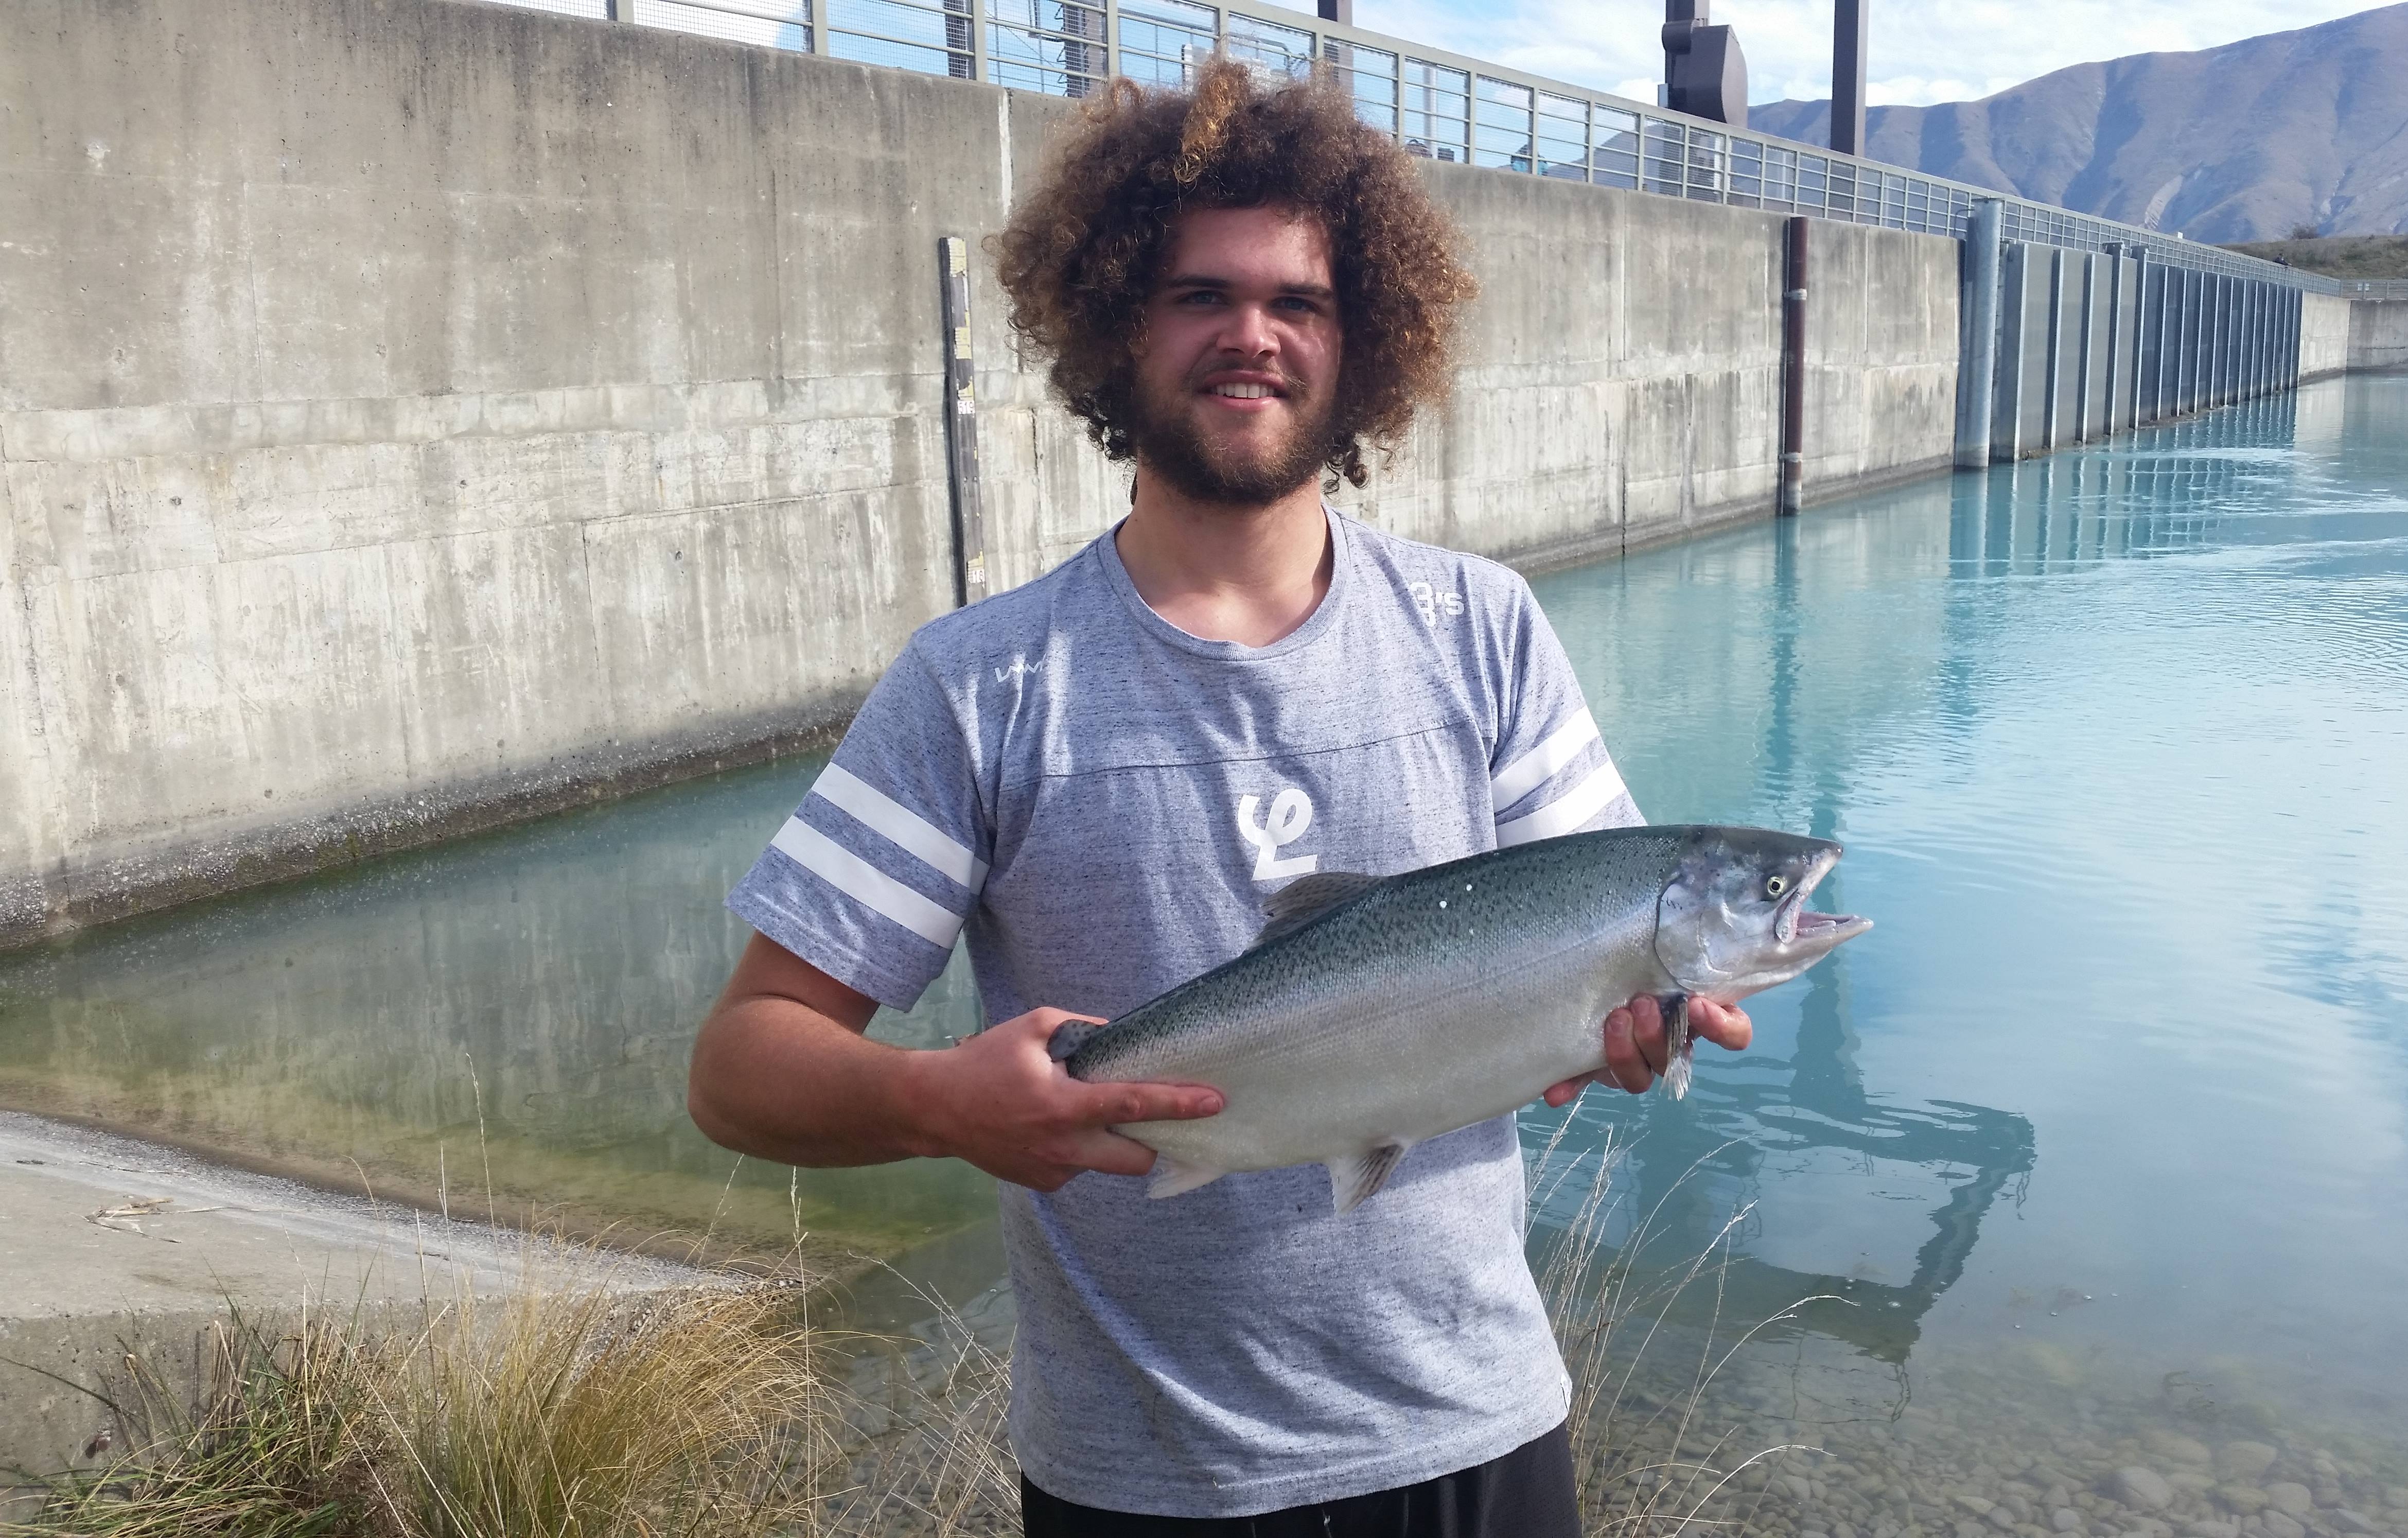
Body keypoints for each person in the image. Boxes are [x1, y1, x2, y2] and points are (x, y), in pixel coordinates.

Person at [686, 59, 1750, 1536]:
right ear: (1119, 322)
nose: (1253, 334)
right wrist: (938, 1101)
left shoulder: (1486, 631)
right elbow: (740, 1066)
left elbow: (1590, 944)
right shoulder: (980, 684)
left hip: (1482, 1440)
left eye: (1298, 302)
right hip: (1142, 1486)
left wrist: (1641, 1025)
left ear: (1360, 336)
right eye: (1201, 294)